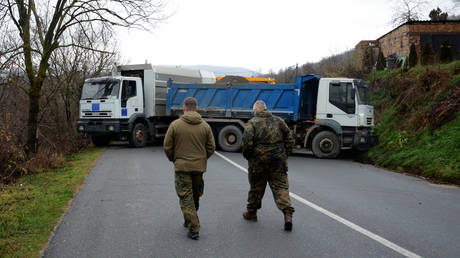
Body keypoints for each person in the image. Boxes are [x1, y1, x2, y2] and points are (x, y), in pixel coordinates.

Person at [163, 97, 215, 240]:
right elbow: (211, 147)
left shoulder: (175, 125)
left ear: (184, 108)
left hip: (182, 167)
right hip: (199, 167)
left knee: (186, 197)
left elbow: (167, 146)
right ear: (196, 108)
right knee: (196, 195)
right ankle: (191, 219)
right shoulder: (205, 126)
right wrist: (202, 159)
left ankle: (194, 228)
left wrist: (174, 159)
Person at [241, 100, 295, 231]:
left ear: (255, 110)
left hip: (258, 163)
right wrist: (285, 154)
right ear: (265, 109)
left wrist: (250, 157)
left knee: (256, 188)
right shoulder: (279, 121)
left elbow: (246, 144)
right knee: (281, 187)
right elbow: (289, 138)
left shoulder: (252, 124)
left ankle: (252, 213)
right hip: (278, 161)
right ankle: (287, 213)